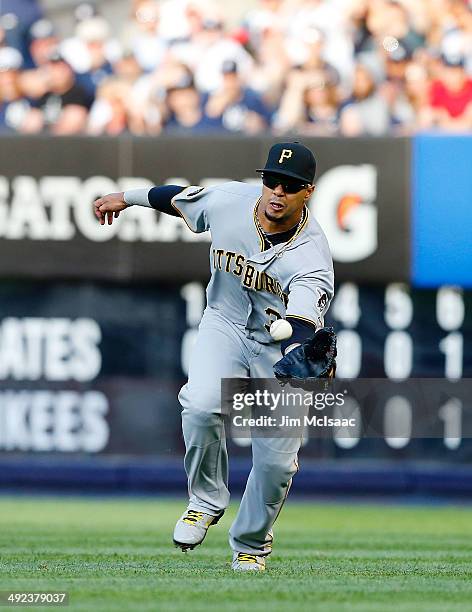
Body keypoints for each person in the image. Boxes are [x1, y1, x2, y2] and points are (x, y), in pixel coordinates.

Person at [93, 142, 334, 571]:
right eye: (271, 181)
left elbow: (299, 326)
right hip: (224, 323)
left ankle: (252, 544)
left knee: (277, 462)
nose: (277, 192)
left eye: (290, 186)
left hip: (275, 351)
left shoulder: (312, 257)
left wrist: (298, 353)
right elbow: (176, 198)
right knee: (201, 403)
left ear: (308, 191)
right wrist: (126, 198)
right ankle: (204, 501)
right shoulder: (230, 200)